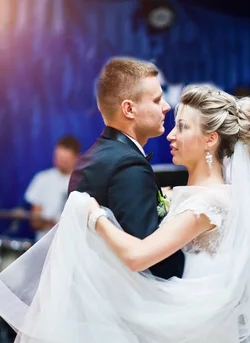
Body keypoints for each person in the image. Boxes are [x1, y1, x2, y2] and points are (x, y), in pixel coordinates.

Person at [0, 82, 250, 343]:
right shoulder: (195, 196)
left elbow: (138, 256)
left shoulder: (207, 204)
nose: (170, 135)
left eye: (182, 127)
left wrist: (92, 214)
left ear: (210, 139)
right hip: (183, 317)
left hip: (192, 325)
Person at [68, 57, 184, 280]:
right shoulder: (127, 164)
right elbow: (153, 261)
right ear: (129, 109)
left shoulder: (91, 158)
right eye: (157, 99)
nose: (167, 106)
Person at [25, 135, 80, 241]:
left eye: (66, 159)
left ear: (76, 157)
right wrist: (49, 223)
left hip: (73, 242)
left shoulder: (83, 182)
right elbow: (35, 221)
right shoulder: (42, 179)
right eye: (59, 158)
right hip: (45, 242)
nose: (62, 162)